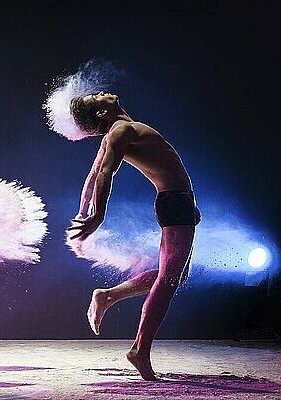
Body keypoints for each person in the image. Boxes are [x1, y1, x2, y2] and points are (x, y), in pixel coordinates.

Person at [66, 92, 200, 380]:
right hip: (175, 202)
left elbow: (91, 176)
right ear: (102, 113)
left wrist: (82, 211)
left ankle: (108, 296)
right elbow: (103, 173)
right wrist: (97, 215)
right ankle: (139, 350)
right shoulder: (121, 130)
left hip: (179, 202)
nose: (101, 93)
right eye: (95, 97)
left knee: (175, 276)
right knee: (169, 280)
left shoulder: (120, 130)